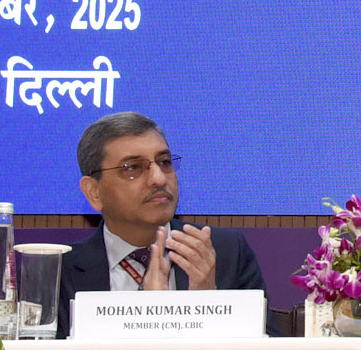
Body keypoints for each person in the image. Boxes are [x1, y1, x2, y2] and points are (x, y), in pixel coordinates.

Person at [57, 112, 267, 336]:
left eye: (165, 162)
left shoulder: (226, 252)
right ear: (94, 191)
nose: (158, 178)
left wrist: (207, 302)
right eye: (133, 168)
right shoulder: (61, 272)